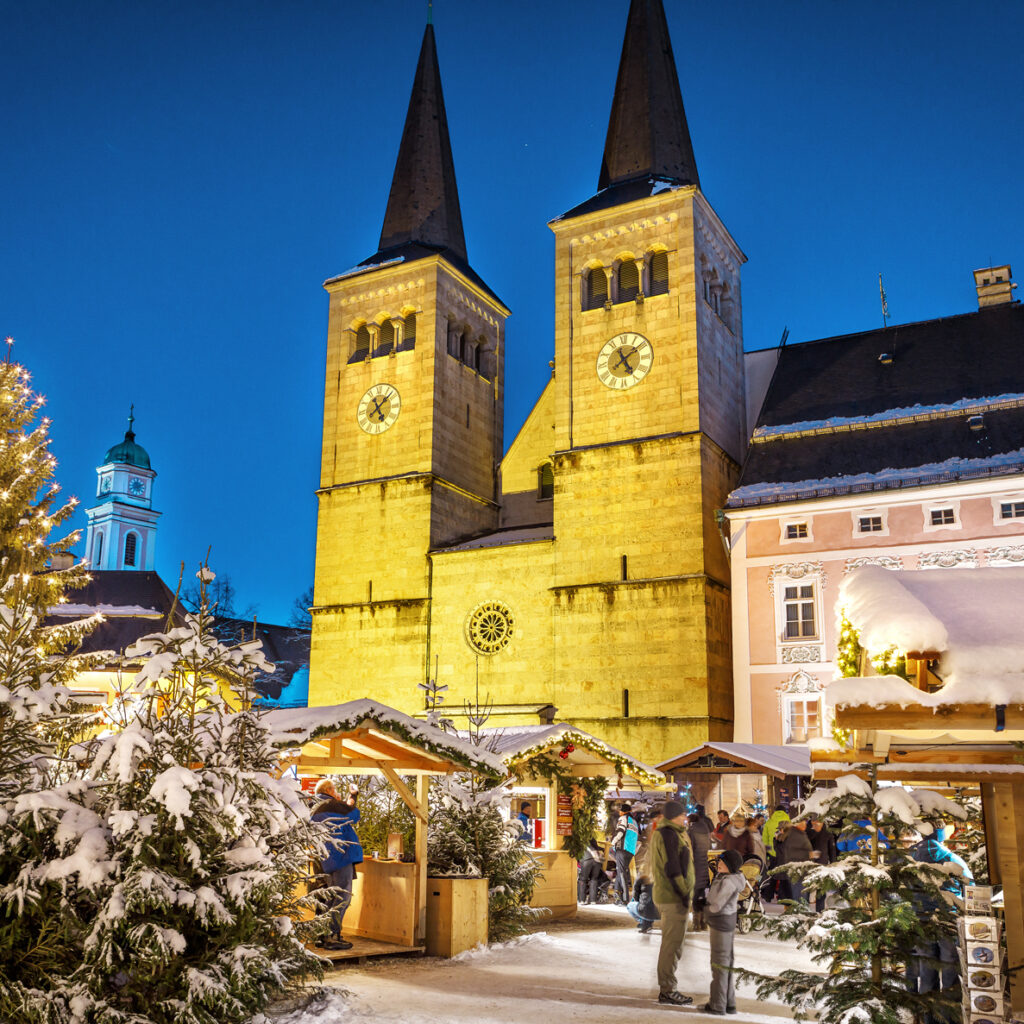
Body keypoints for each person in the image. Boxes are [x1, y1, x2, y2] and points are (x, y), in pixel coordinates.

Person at [906, 826, 973, 1023]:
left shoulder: (911, 860)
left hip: (921, 920)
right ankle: (949, 1018)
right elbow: (971, 887)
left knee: (927, 970)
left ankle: (929, 1017)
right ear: (941, 836)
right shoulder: (953, 860)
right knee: (950, 971)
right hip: (948, 921)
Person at [650, 799, 695, 1006]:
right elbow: (673, 868)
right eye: (682, 815)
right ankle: (667, 989)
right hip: (673, 897)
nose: (685, 818)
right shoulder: (668, 834)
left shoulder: (669, 833)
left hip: (671, 895)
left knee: (672, 943)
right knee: (672, 945)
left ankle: (667, 987)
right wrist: (684, 893)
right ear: (673, 816)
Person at [311, 779, 363, 951]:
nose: (337, 792)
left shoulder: (315, 805)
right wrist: (353, 796)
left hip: (324, 858)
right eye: (334, 789)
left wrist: (347, 801)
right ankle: (331, 936)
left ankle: (321, 934)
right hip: (340, 856)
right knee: (342, 897)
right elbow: (353, 815)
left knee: (329, 897)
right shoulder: (330, 804)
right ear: (328, 790)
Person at [702, 850, 746, 1016]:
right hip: (725, 921)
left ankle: (717, 1005)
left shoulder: (728, 881)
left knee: (719, 964)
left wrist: (703, 908)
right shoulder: (726, 877)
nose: (718, 864)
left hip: (720, 922)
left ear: (731, 866)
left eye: (722, 862)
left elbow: (716, 905)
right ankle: (729, 1003)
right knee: (726, 962)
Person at [778, 818, 814, 904]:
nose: (805, 824)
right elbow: (794, 853)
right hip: (799, 871)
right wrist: (810, 855)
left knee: (801, 896)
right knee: (800, 897)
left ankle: (801, 913)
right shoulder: (795, 835)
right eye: (802, 823)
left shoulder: (799, 833)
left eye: (805, 823)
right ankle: (800, 914)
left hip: (801, 870)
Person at [687, 812, 712, 931]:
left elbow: (689, 849)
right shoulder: (706, 831)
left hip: (695, 866)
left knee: (696, 895)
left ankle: (696, 923)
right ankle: (704, 922)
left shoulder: (691, 831)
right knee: (702, 894)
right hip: (705, 866)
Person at [611, 802, 640, 905]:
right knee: (620, 871)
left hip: (622, 848)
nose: (619, 812)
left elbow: (620, 831)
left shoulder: (623, 818)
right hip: (630, 850)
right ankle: (617, 896)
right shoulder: (635, 822)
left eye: (620, 810)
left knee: (622, 873)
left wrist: (613, 843)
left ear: (623, 811)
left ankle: (625, 898)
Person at [808, 816, 837, 911]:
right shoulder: (808, 832)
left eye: (818, 822)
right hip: (809, 864)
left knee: (821, 890)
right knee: (808, 888)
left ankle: (819, 910)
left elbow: (832, 850)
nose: (816, 823)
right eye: (814, 821)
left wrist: (833, 863)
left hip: (822, 864)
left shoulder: (827, 833)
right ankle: (806, 909)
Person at [577, 838, 606, 904]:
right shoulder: (592, 837)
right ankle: (593, 900)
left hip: (586, 859)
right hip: (597, 860)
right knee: (594, 879)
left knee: (583, 879)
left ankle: (582, 900)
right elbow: (597, 847)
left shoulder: (580, 838)